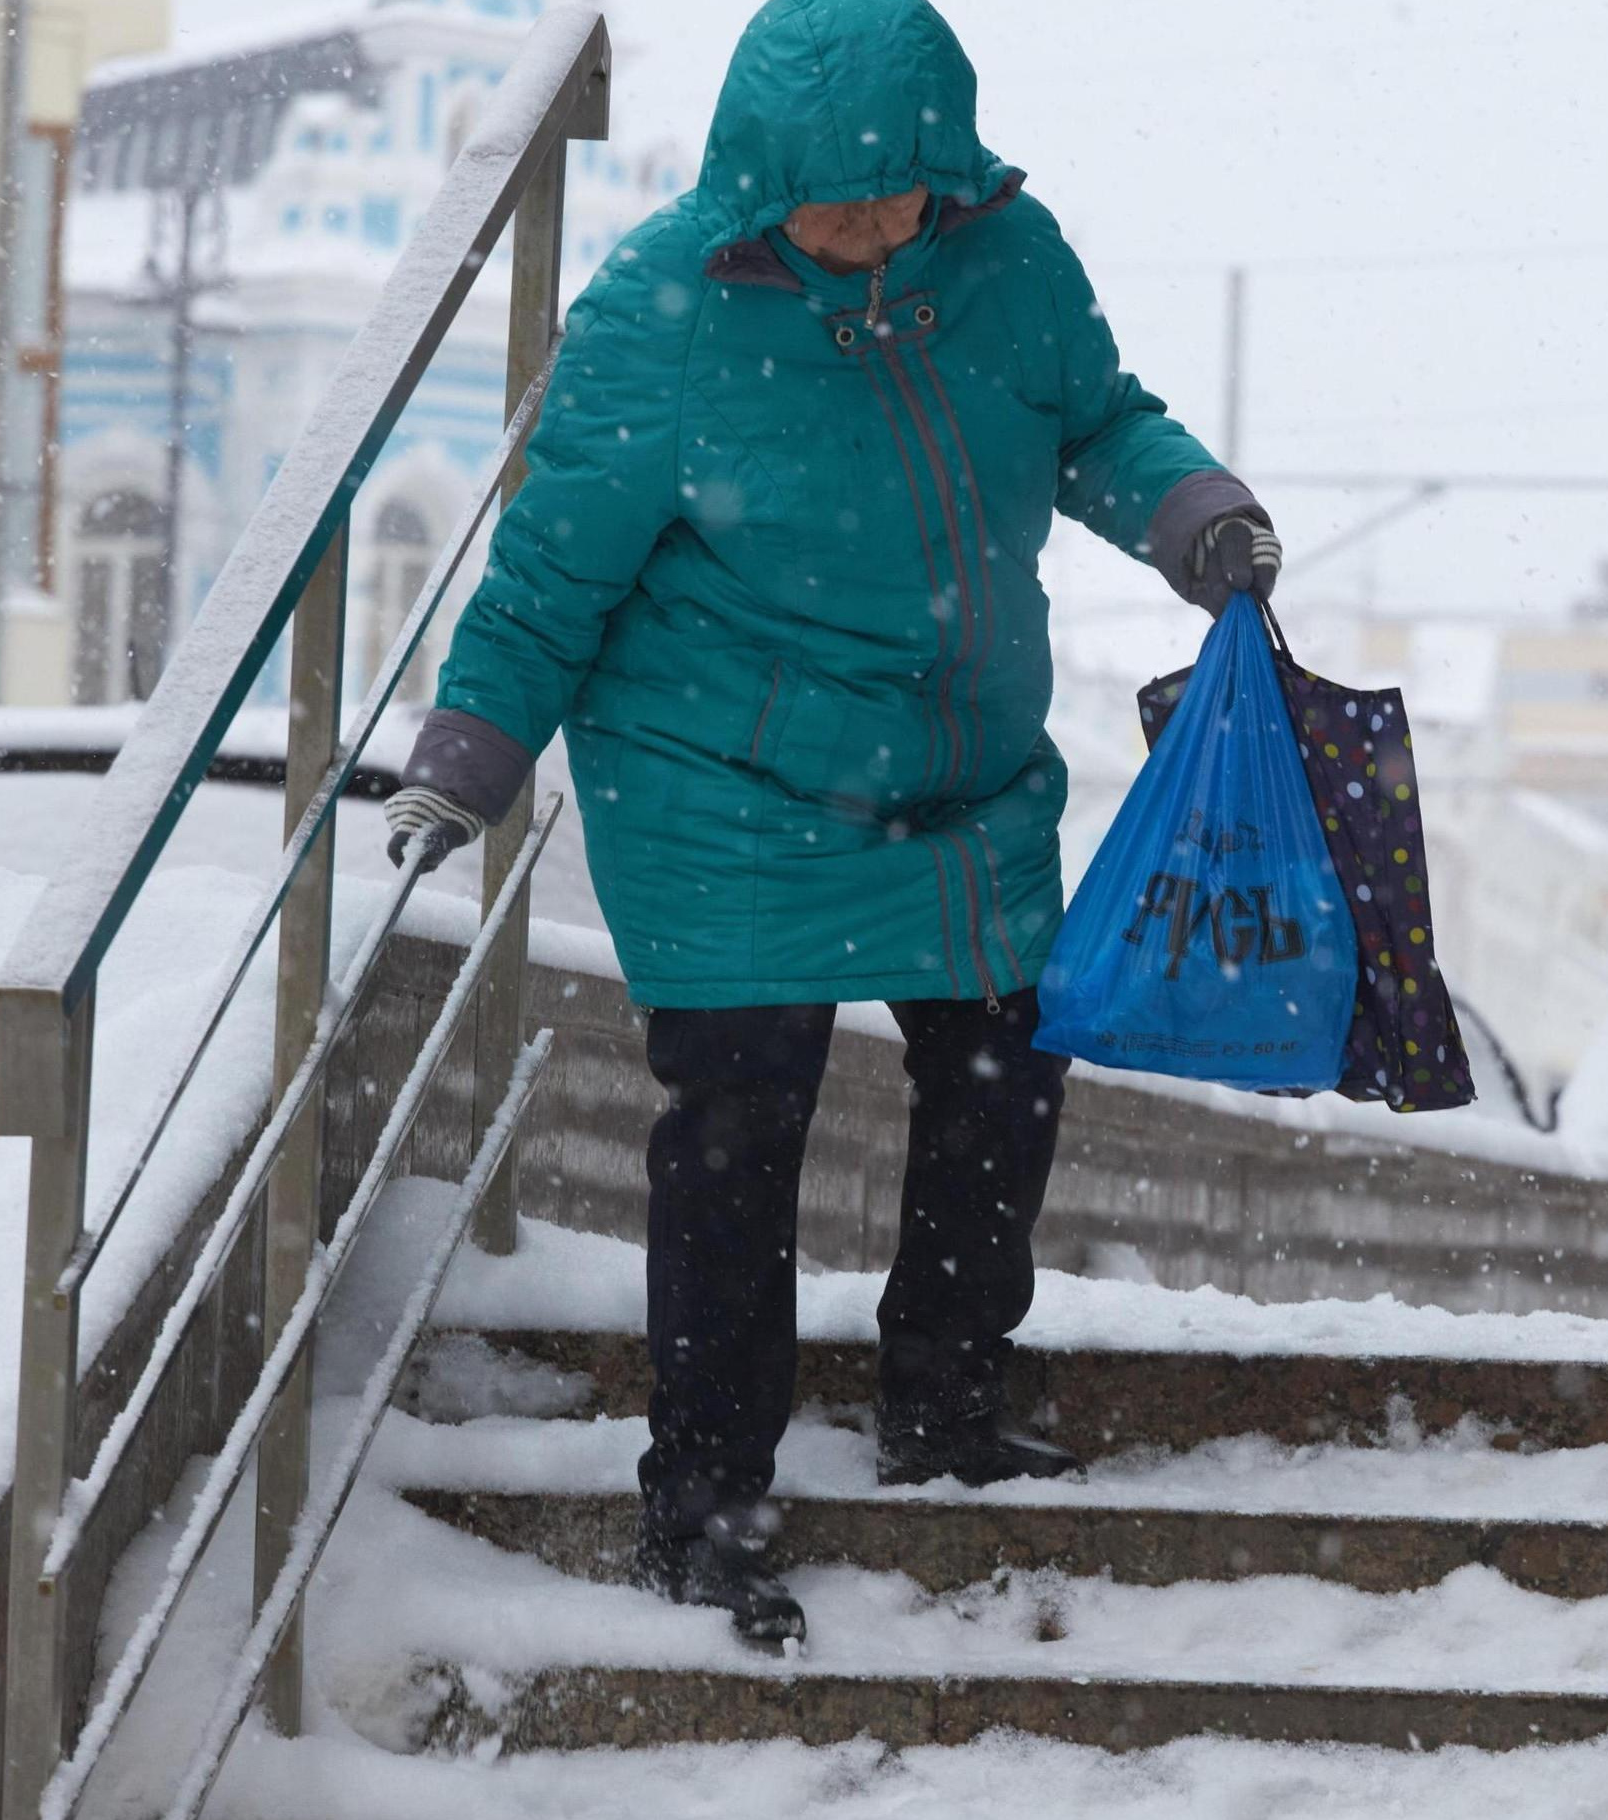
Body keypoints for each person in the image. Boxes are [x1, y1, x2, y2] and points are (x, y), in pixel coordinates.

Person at [380, 0, 1279, 1648]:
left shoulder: (1009, 263)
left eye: (893, 197)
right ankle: (705, 1500)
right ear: (754, 178)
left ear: (950, 170)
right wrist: (465, 758)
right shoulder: (665, 313)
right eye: (826, 201)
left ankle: (941, 1401)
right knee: (739, 1121)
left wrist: (1195, 513)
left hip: (957, 766)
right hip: (720, 775)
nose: (862, 230)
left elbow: (1099, 423)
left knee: (1003, 1060)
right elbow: (550, 574)